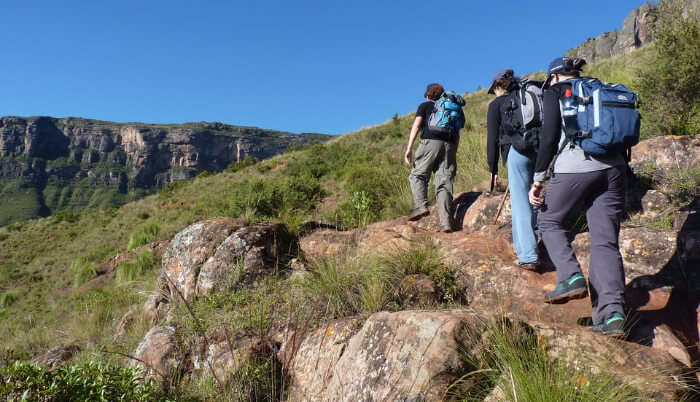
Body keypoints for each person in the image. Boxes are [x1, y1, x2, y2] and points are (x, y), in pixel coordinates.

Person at [529, 57, 628, 336]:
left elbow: (549, 138)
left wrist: (538, 180)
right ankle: (612, 317)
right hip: (614, 168)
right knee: (605, 242)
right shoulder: (600, 88)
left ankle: (571, 276)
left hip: (575, 167)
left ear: (555, 77)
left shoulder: (555, 92)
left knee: (548, 221)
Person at [486, 69, 539, 270]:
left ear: (498, 87)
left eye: (494, 90)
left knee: (520, 203)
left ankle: (528, 255)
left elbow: (492, 139)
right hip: (539, 150)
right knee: (533, 199)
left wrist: (493, 168)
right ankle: (524, 247)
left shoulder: (496, 105)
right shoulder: (524, 98)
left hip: (516, 152)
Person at [404, 83, 465, 232]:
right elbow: (457, 134)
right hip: (449, 145)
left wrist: (409, 148)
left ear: (428, 95)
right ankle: (446, 223)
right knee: (444, 183)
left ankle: (420, 206)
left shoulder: (425, 106)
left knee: (417, 175)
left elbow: (416, 126)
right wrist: (452, 152)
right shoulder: (451, 108)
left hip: (430, 142)